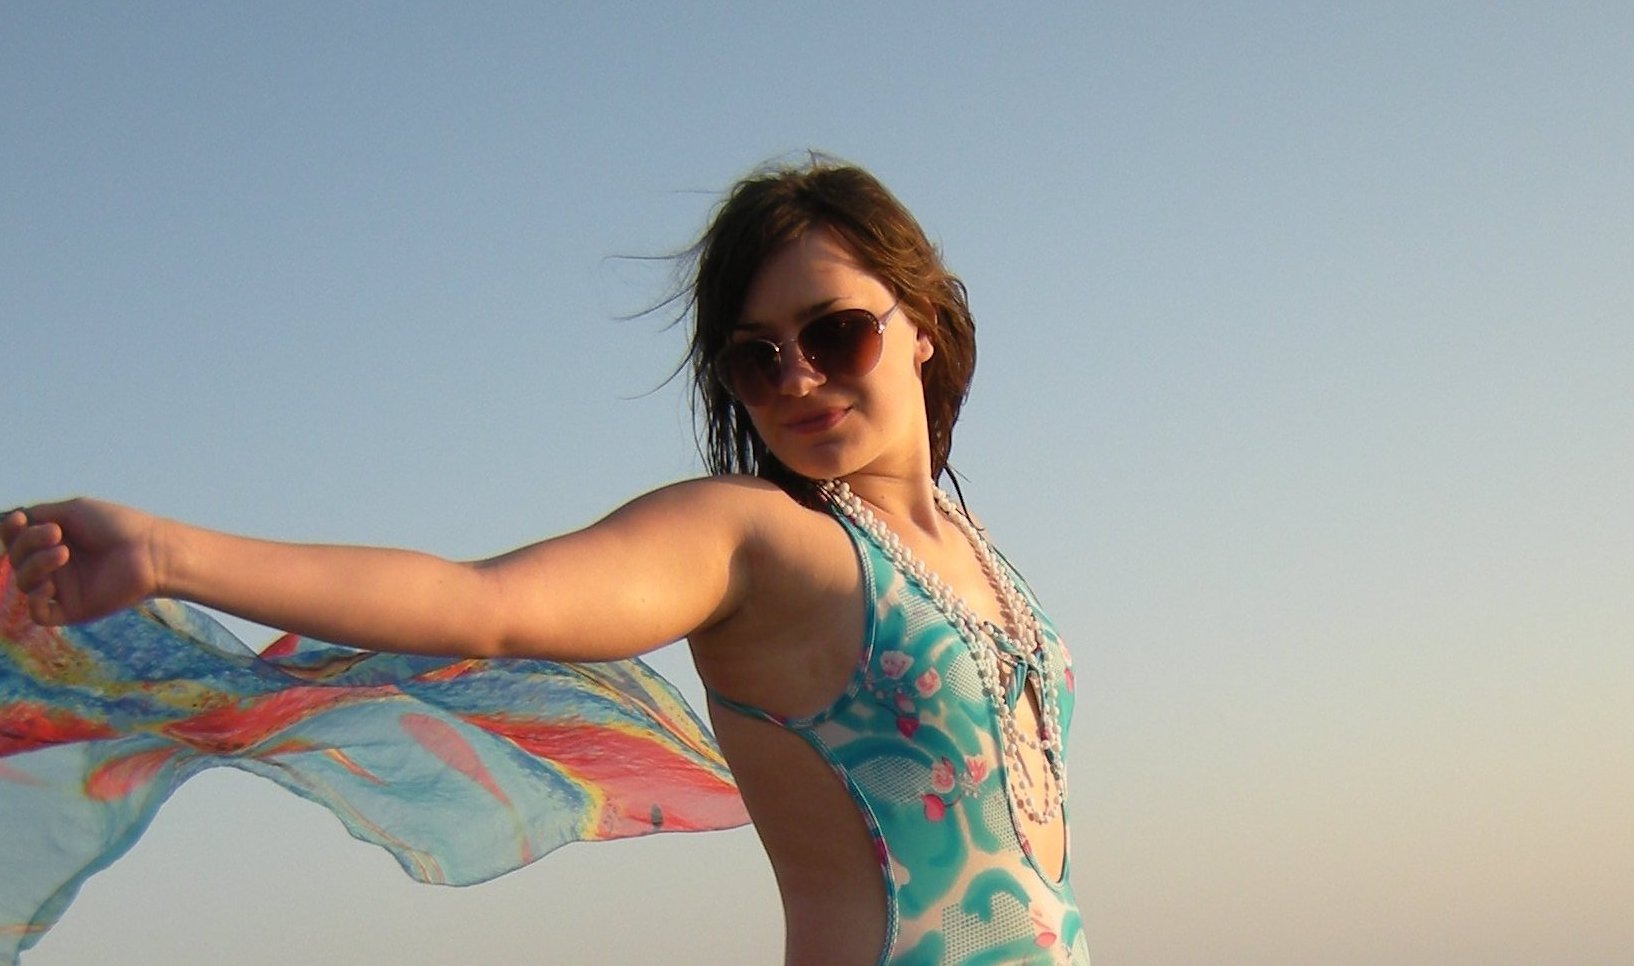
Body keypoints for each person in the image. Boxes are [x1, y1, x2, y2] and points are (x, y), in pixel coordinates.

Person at [2, 157, 1087, 965]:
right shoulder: (753, 540)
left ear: (921, 322)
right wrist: (166, 554)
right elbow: (484, 604)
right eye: (756, 360)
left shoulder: (978, 556)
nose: (797, 377)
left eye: (834, 333)